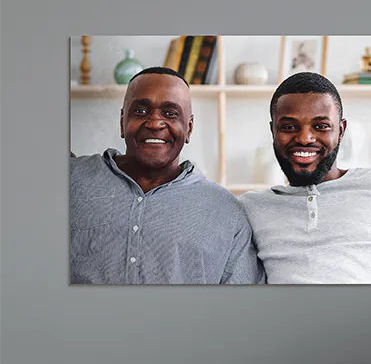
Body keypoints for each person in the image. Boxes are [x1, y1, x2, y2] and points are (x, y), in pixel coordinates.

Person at [69, 67, 262, 284]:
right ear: (122, 121)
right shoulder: (70, 179)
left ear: (189, 128)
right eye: (141, 111)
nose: (154, 123)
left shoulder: (226, 211)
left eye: (170, 113)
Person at [239, 72, 371, 284]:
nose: (304, 138)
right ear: (273, 131)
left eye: (320, 126)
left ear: (341, 131)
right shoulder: (248, 207)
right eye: (289, 127)